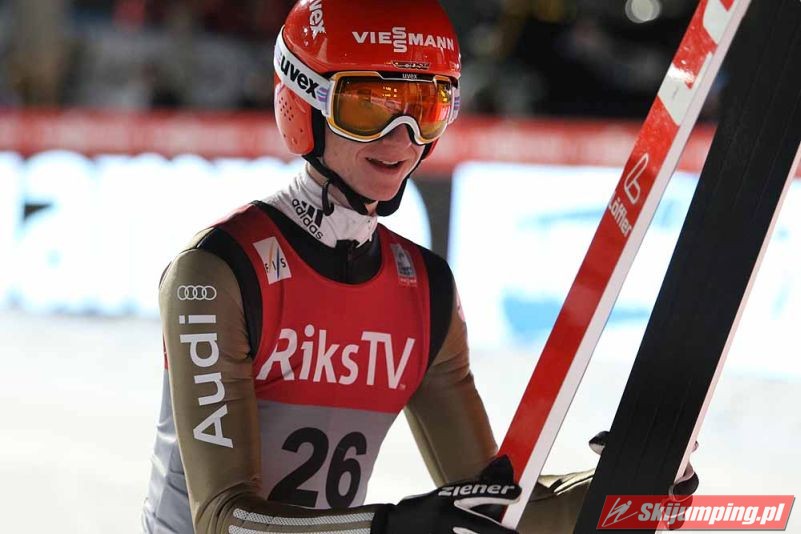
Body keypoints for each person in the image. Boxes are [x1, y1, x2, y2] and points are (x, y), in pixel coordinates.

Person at [141, 1, 696, 532]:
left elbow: (489, 506)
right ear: (303, 104)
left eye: (426, 109)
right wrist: (399, 525)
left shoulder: (425, 291)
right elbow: (223, 520)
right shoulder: (216, 274)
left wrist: (630, 489)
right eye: (369, 107)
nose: (402, 140)